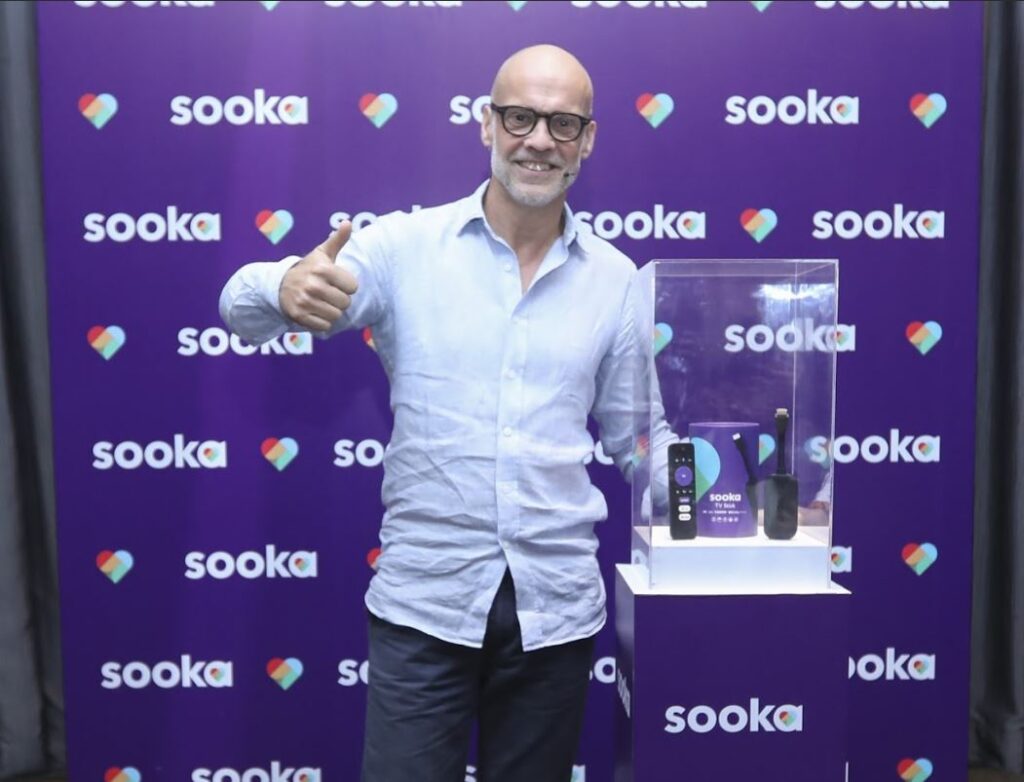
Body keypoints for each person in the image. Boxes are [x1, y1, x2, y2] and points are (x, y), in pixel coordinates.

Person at [220, 44, 671, 782]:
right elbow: (241, 306)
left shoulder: (617, 280)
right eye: (520, 118)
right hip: (425, 605)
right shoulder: (405, 247)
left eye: (562, 124)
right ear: (487, 124)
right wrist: (283, 285)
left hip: (555, 613)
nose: (539, 140)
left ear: (587, 141)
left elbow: (640, 440)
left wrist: (731, 503)